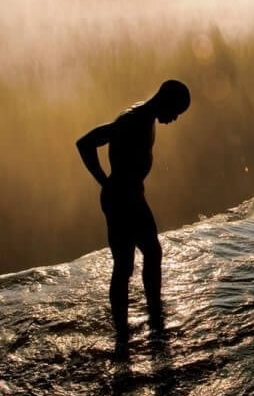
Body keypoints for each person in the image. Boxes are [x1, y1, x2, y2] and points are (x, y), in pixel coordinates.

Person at [77, 80, 191, 350]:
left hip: (130, 195)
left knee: (148, 254)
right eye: (175, 112)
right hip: (122, 199)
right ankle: (127, 331)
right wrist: (103, 180)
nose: (174, 119)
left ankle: (148, 318)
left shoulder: (144, 116)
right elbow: (85, 143)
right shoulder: (133, 120)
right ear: (165, 100)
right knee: (128, 263)